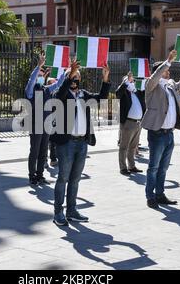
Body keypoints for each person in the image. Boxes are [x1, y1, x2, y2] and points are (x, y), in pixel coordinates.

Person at [51, 60, 111, 226]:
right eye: (72, 77)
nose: (75, 80)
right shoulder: (61, 93)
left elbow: (101, 98)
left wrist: (105, 80)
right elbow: (61, 93)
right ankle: (58, 213)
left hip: (82, 143)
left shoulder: (83, 94)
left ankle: (72, 210)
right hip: (66, 143)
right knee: (63, 177)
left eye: (77, 77)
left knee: (75, 179)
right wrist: (69, 74)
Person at [141, 50, 180, 209]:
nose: (168, 72)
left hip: (169, 134)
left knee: (164, 167)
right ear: (159, 72)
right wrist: (167, 61)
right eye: (165, 70)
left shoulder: (172, 85)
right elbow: (154, 78)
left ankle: (160, 194)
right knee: (153, 167)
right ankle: (150, 196)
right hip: (157, 133)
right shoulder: (151, 85)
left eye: (168, 70)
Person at [25, 54, 65, 185]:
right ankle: (32, 176)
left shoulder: (46, 89)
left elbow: (59, 83)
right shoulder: (30, 91)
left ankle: (40, 175)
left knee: (43, 153)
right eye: (39, 76)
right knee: (34, 151)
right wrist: (39, 67)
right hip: (36, 125)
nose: (41, 78)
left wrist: (65, 70)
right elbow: (31, 81)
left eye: (42, 75)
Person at [116, 72, 146, 176]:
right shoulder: (124, 92)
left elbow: (145, 92)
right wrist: (125, 83)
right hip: (128, 123)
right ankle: (123, 168)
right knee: (124, 147)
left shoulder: (136, 92)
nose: (132, 82)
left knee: (133, 146)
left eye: (132, 80)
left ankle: (132, 166)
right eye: (130, 81)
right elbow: (117, 94)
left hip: (138, 123)